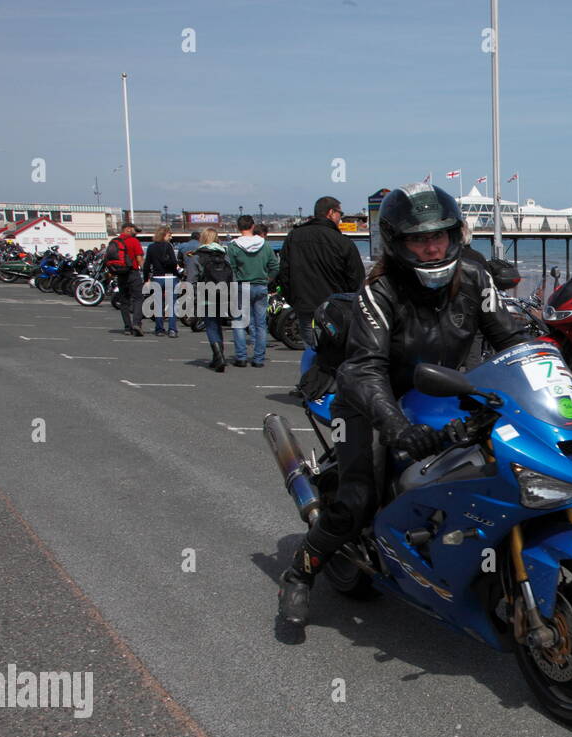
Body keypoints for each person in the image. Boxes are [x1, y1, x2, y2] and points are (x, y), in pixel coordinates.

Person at [277, 183, 530, 625]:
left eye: (440, 236)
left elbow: (511, 339)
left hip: (443, 391)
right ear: (397, 243)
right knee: (358, 497)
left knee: (501, 465)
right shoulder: (381, 291)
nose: (432, 248)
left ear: (455, 236)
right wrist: (396, 428)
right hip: (371, 401)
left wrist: (562, 391)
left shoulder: (474, 277)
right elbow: (366, 368)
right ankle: (300, 573)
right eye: (419, 239)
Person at [278, 196, 364, 346]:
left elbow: (285, 272)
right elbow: (356, 278)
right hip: (334, 306)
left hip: (304, 304)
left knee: (311, 350)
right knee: (334, 352)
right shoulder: (342, 242)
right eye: (340, 214)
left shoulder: (293, 237)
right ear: (331, 213)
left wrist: (293, 299)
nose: (340, 219)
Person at [227, 215, 279, 367]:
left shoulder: (233, 246)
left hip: (242, 285)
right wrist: (267, 279)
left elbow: (231, 268)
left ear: (238, 227)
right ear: (252, 226)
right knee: (260, 324)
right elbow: (275, 267)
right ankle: (258, 359)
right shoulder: (265, 245)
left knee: (239, 322)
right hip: (260, 285)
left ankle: (241, 357)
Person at [193, 228, 235, 372]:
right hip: (223, 293)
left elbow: (194, 275)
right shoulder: (224, 253)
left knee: (210, 325)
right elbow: (231, 274)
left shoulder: (199, 255)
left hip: (207, 294)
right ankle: (217, 357)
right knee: (218, 325)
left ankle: (218, 356)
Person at [106, 222, 145, 336]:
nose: (135, 232)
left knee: (124, 301)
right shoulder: (134, 241)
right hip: (132, 272)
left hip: (120, 274)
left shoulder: (115, 241)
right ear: (128, 229)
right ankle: (136, 323)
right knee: (138, 298)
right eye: (134, 230)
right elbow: (139, 259)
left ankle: (127, 327)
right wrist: (144, 270)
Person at [142, 226, 179, 337]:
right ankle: (172, 329)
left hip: (157, 277)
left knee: (158, 304)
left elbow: (147, 265)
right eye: (169, 235)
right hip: (170, 277)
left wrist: (146, 279)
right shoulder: (168, 246)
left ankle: (159, 329)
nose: (171, 237)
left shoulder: (151, 247)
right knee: (172, 304)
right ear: (164, 235)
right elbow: (173, 262)